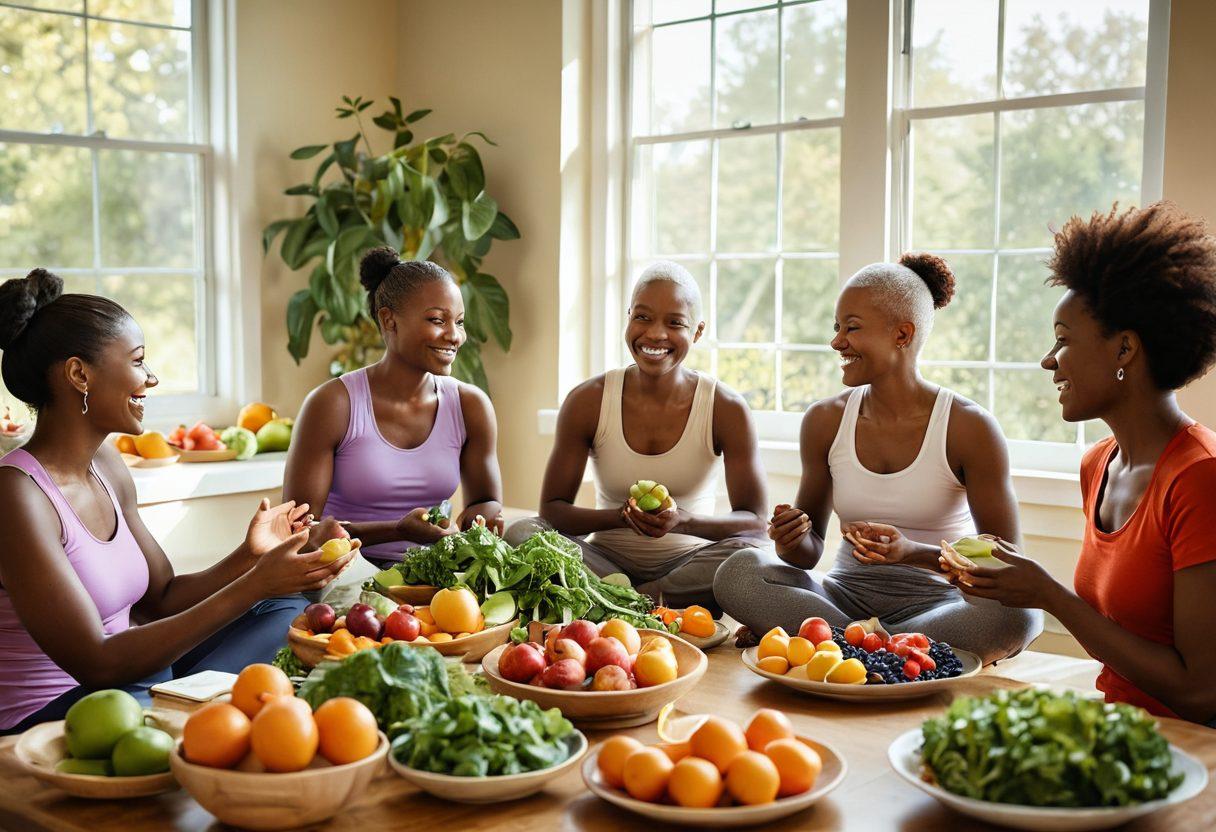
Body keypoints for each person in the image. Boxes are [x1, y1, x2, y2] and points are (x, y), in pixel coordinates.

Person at [0, 269, 354, 735]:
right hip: (61, 712)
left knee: (284, 611)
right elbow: (98, 664)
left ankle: (194, 713)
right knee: (170, 668)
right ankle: (200, 713)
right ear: (79, 374)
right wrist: (254, 583)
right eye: (138, 361)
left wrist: (252, 559)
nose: (151, 378)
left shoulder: (106, 464)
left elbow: (161, 600)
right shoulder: (17, 494)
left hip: (133, 679)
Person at [951, 203, 1216, 725]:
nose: (1049, 360)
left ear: (1124, 349)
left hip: (1191, 751)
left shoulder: (1200, 478)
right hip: (1116, 723)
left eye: (1064, 340)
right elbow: (1119, 639)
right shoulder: (1098, 464)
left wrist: (1049, 595)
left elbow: (1202, 693)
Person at [714, 253, 1042, 664]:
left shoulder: (968, 426)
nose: (836, 342)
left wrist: (914, 553)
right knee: (739, 571)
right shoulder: (825, 420)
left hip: (936, 605)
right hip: (840, 597)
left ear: (902, 335)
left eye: (851, 328)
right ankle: (898, 653)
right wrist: (792, 538)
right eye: (836, 328)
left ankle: (843, 646)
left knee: (1019, 614)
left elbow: (1004, 559)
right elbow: (808, 554)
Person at [506, 261, 768, 610]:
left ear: (698, 331)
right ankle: (651, 602)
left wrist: (684, 521)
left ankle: (622, 602)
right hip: (603, 563)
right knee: (522, 534)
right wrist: (621, 517)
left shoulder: (725, 407)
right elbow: (553, 511)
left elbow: (754, 522)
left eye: (675, 322)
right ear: (628, 317)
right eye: (642, 317)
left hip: (688, 563)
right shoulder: (588, 400)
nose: (656, 334)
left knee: (753, 555)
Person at [284, 248, 504, 567]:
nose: (454, 336)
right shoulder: (333, 403)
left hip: (435, 577)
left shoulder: (470, 405)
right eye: (436, 320)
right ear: (389, 320)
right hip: (342, 573)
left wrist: (482, 519)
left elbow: (486, 500)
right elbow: (298, 533)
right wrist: (397, 531)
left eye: (458, 322)